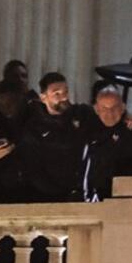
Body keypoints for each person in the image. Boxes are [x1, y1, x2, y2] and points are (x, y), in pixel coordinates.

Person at [17, 72, 97, 202]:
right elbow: (32, 166)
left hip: (80, 193)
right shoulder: (35, 127)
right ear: (43, 97)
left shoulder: (82, 114)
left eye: (65, 92)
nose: (63, 97)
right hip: (47, 196)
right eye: (57, 94)